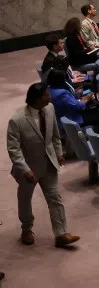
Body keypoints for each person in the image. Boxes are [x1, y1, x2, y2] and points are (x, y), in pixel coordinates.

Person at [7, 83, 80, 247]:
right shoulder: (17, 120)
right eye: (46, 95)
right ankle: (26, 229)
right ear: (37, 99)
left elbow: (54, 135)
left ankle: (61, 234)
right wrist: (24, 169)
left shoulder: (50, 109)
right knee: (25, 199)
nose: (50, 97)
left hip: (49, 163)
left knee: (55, 198)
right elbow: (14, 150)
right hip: (28, 169)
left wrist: (59, 153)